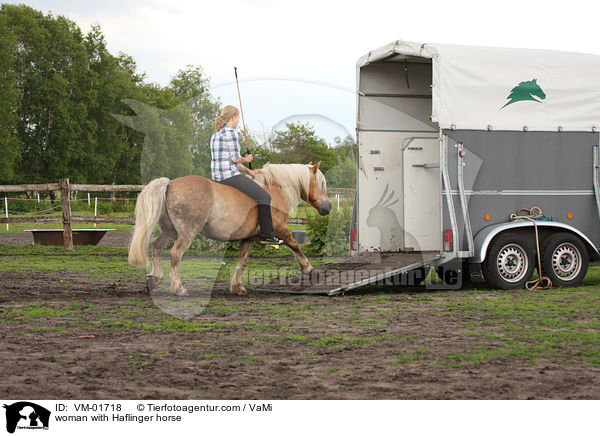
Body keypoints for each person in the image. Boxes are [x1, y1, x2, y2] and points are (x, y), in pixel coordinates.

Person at [210, 105, 283, 245]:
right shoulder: (231, 133)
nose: (238, 121)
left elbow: (229, 160)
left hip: (217, 177)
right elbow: (235, 159)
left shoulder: (216, 133)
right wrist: (247, 159)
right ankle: (267, 235)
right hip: (229, 177)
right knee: (264, 197)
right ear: (233, 117)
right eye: (238, 118)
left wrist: (249, 171)